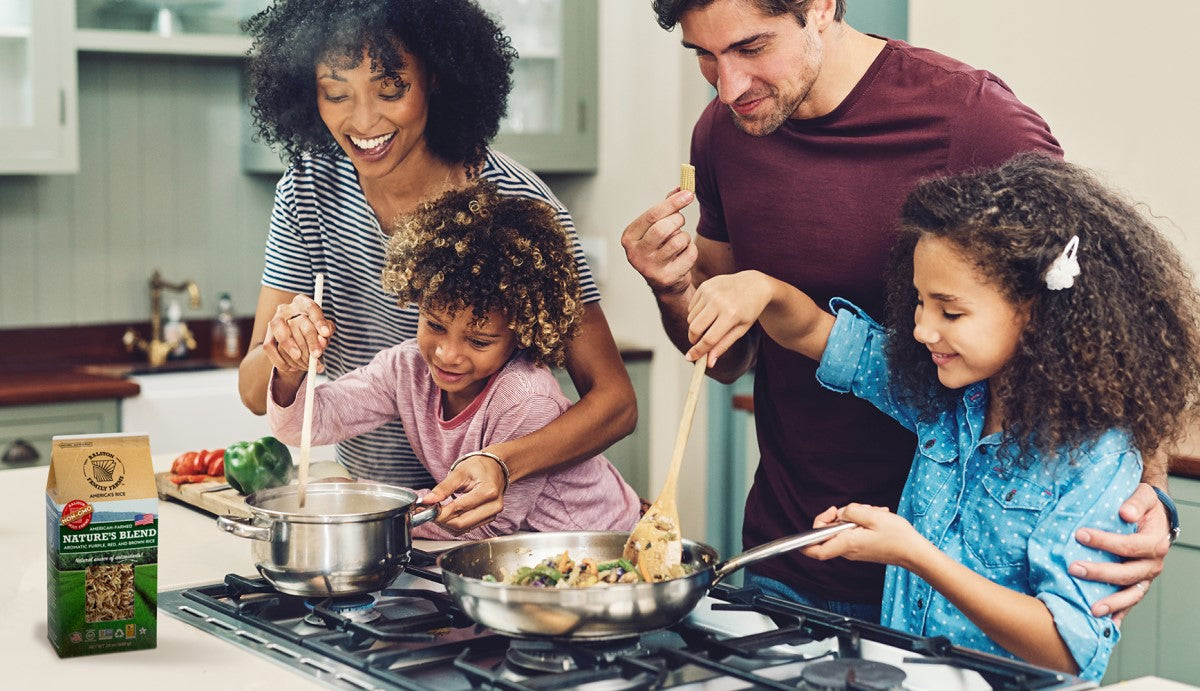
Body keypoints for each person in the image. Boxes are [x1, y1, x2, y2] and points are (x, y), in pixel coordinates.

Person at [622, 0, 1171, 622]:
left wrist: (1147, 492)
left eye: (751, 48)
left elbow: (1098, 317)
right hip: (788, 551)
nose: (729, 87)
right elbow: (728, 360)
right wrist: (673, 290)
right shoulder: (724, 132)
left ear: (821, 7)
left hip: (962, 592)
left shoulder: (973, 118)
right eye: (703, 56)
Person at [683, 153, 1200, 680]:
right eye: (919, 303)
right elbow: (817, 332)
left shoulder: (1095, 459)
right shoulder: (944, 396)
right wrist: (762, 289)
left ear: (1035, 313)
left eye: (950, 312)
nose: (924, 330)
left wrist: (914, 553)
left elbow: (1067, 648)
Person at [238, 0, 636, 533]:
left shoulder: (519, 209)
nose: (361, 120)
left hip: (486, 522)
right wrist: (283, 351)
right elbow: (254, 390)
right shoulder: (308, 189)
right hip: (382, 509)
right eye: (336, 93)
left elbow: (615, 403)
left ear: (438, 79)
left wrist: (501, 462)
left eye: (391, 89)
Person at [267, 183, 642, 539]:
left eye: (478, 341)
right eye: (434, 324)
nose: (447, 354)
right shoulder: (407, 369)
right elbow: (304, 425)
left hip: (598, 538)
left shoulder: (526, 398)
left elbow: (486, 524)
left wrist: (364, 502)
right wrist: (291, 370)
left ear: (521, 333)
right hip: (523, 546)